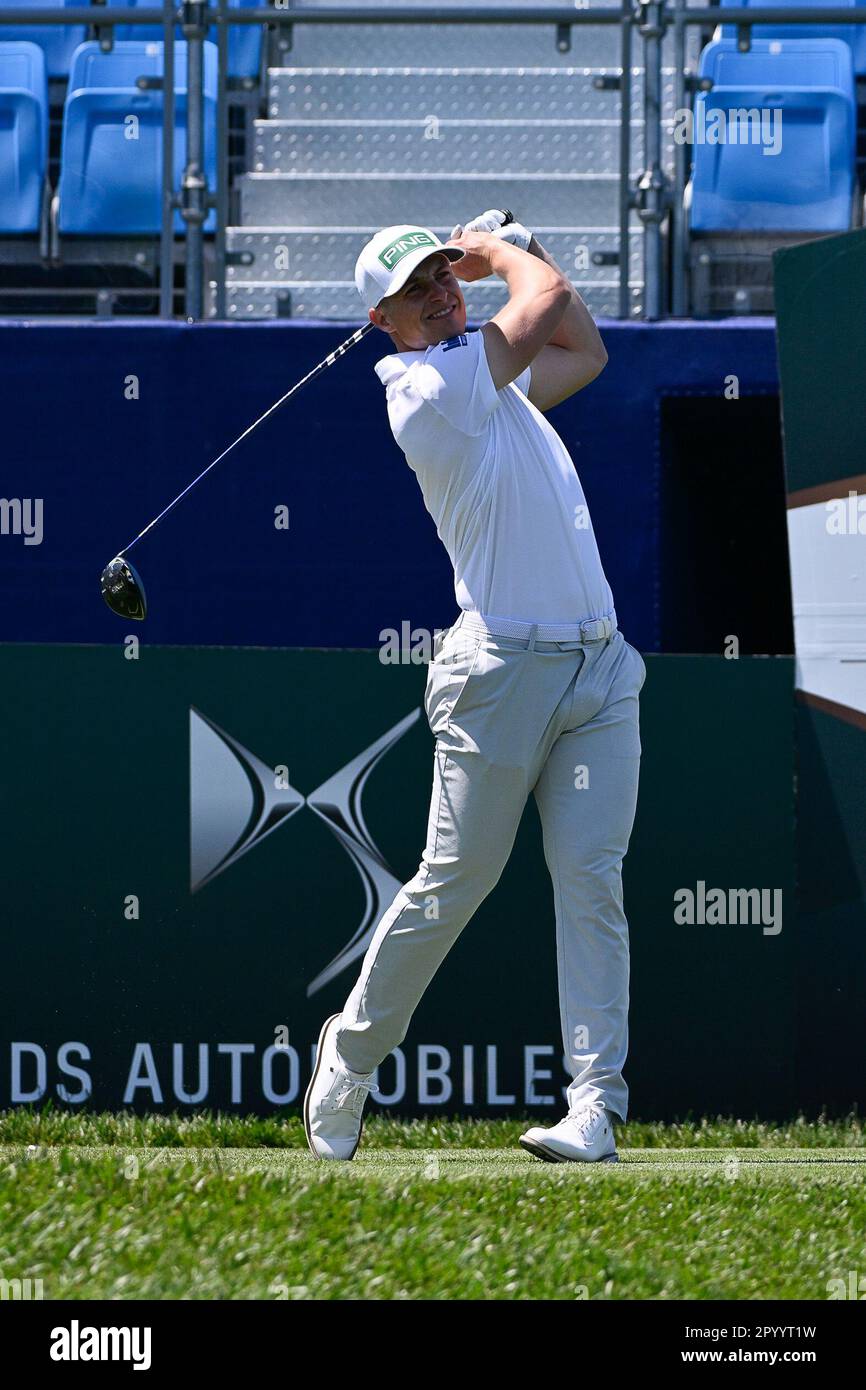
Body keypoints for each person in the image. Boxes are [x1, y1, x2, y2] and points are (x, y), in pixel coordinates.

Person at [304, 211, 646, 1164]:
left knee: (591, 883)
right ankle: (352, 1056)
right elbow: (545, 304)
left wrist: (514, 252)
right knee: (455, 881)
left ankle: (595, 1107)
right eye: (419, 289)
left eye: (444, 276)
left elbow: (582, 344)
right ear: (384, 320)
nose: (442, 293)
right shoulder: (427, 389)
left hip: (600, 669)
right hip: (500, 673)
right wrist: (503, 254)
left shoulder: (491, 383)